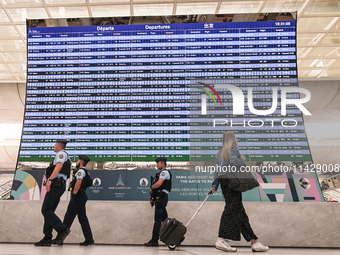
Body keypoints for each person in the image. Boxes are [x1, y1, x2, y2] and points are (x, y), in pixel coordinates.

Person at [210, 131, 269, 252]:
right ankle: (221, 239)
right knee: (231, 208)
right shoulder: (233, 148)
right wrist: (242, 159)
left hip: (223, 180)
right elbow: (234, 162)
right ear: (233, 139)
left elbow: (217, 170)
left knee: (239, 211)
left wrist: (215, 185)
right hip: (232, 180)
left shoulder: (219, 152)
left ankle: (254, 241)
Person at [34, 139, 71, 246]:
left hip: (56, 185)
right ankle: (47, 237)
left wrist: (50, 180)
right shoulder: (63, 155)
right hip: (58, 185)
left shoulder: (61, 154)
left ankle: (62, 229)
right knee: (49, 211)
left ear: (59, 146)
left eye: (55, 145)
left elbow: (59, 166)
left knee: (45, 209)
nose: (54, 147)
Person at [52, 155, 94, 246]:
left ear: (81, 162)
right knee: (82, 218)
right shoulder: (84, 172)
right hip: (82, 196)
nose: (76, 162)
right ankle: (89, 238)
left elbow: (78, 183)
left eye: (78, 161)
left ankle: (59, 239)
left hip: (78, 196)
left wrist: (74, 195)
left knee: (68, 217)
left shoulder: (80, 171)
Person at [144, 157, 172, 247]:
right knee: (164, 220)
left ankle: (154, 240)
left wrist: (152, 187)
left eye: (158, 163)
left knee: (158, 219)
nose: (157, 165)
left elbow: (159, 184)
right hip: (160, 198)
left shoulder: (164, 173)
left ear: (162, 163)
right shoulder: (161, 173)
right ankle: (171, 239)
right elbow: (159, 187)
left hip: (161, 199)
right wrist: (152, 197)